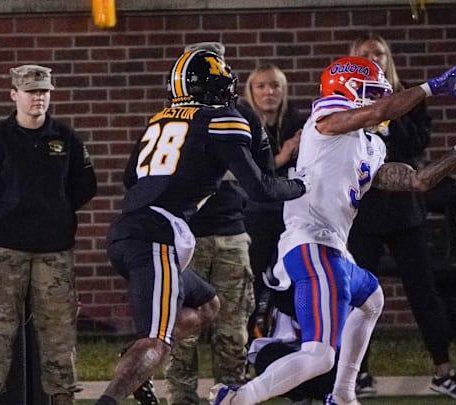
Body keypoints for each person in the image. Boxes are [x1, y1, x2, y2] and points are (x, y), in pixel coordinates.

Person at [210, 54, 456, 405]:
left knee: (372, 300)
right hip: (309, 243)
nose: (378, 100)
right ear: (348, 90)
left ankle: (342, 393)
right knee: (319, 356)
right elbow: (375, 112)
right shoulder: (325, 120)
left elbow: (417, 181)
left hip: (333, 247)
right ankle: (237, 398)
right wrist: (430, 88)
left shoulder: (371, 145)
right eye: (371, 92)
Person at [93, 49, 308, 405]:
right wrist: (303, 184)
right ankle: (112, 395)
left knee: (208, 305)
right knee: (156, 340)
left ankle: (135, 360)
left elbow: (130, 176)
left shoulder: (160, 118)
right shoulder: (223, 119)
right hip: (156, 237)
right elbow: (261, 188)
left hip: (132, 230)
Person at [0, 64, 98, 405]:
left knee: (59, 331)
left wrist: (54, 213)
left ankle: (63, 398)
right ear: (14, 95)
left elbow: (85, 186)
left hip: (53, 250)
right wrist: (6, 212)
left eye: (44, 91)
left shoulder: (66, 139)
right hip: (3, 252)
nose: (39, 98)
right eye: (32, 91)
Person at [346, 34, 456, 398]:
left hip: (404, 210)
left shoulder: (410, 100)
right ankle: (359, 373)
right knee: (358, 294)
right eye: (365, 54)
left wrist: (388, 108)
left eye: (379, 53)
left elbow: (414, 146)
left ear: (389, 59)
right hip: (362, 211)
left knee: (423, 291)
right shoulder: (344, 103)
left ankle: (443, 370)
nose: (374, 58)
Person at [166, 42, 273, 405]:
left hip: (231, 232)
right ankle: (181, 397)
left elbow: (263, 170)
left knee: (233, 329)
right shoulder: (176, 116)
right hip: (186, 235)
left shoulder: (241, 114)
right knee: (183, 328)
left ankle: (232, 396)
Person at [240, 64, 307, 339]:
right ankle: (249, 342)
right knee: (253, 279)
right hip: (254, 213)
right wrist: (286, 153)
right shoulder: (242, 123)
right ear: (251, 92)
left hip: (290, 213)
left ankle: (287, 335)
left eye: (275, 85)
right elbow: (251, 176)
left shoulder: (297, 121)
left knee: (291, 275)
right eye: (261, 86)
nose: (269, 92)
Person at [125, 269, 221, 405]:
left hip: (228, 253)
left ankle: (142, 352)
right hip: (175, 256)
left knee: (216, 315)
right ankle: (142, 354)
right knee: (182, 346)